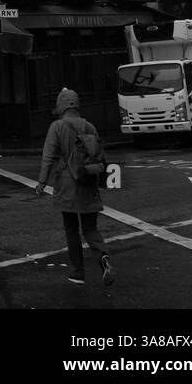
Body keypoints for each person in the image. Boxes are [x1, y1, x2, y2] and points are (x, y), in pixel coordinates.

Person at [35, 87, 114, 287]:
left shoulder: (57, 127)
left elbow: (48, 157)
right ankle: (103, 257)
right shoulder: (90, 127)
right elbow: (101, 157)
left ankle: (78, 272)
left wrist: (42, 182)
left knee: (71, 228)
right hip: (88, 183)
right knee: (90, 228)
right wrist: (103, 181)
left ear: (61, 106)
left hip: (67, 185)